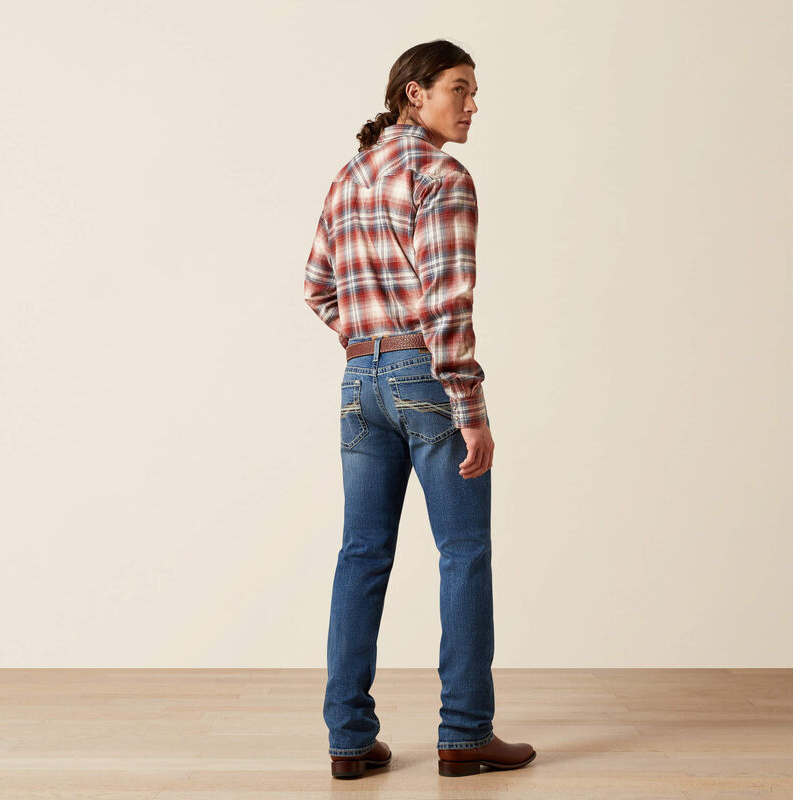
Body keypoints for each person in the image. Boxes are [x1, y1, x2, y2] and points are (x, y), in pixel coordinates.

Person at [304, 39, 537, 779]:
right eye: (459, 89)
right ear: (415, 93)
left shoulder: (349, 177)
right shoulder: (442, 175)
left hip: (358, 379)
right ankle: (464, 732)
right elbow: (447, 303)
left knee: (360, 554)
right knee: (463, 552)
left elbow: (316, 285)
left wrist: (367, 342)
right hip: (428, 378)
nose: (472, 105)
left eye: (474, 91)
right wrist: (470, 406)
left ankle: (348, 740)